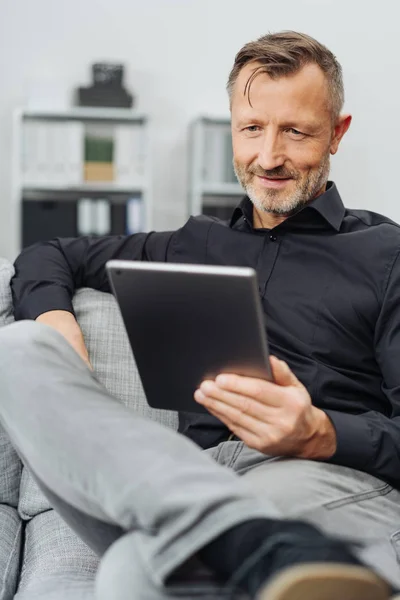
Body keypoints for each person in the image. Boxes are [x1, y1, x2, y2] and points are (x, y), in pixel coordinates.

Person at [1, 30, 400, 600]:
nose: (269, 157)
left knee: (132, 574)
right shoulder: (193, 243)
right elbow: (49, 254)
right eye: (252, 129)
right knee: (18, 351)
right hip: (189, 476)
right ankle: (244, 539)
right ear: (232, 128)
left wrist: (321, 432)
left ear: (337, 133)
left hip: (318, 477)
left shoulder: (387, 256)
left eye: (296, 131)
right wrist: (53, 319)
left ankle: (244, 542)